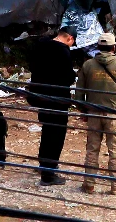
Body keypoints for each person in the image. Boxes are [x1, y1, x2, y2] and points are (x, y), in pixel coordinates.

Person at [75, 31, 116, 195]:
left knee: (92, 149)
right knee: (115, 150)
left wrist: (83, 111)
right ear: (114, 47)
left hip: (93, 113)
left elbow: (79, 93)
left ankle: (89, 184)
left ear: (98, 47)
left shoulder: (88, 65)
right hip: (114, 114)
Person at [26, 26, 76, 185]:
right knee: (56, 136)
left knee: (47, 131)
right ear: (70, 38)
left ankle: (43, 164)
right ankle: (49, 174)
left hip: (41, 97)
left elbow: (32, 67)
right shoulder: (63, 51)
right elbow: (68, 77)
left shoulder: (40, 45)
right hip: (57, 100)